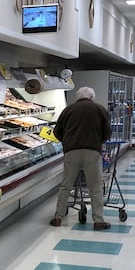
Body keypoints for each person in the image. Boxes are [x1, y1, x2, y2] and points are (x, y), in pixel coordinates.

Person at [50, 86, 112, 230]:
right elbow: (107, 132)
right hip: (92, 151)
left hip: (71, 151)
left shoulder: (68, 110)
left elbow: (57, 131)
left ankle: (58, 217)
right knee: (95, 187)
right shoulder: (99, 109)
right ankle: (98, 220)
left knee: (66, 186)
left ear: (77, 97)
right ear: (91, 97)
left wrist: (67, 142)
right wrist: (98, 141)